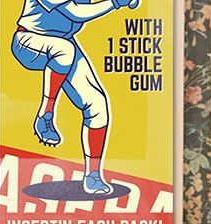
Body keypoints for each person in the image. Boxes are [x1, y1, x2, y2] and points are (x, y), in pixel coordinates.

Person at [12, 0, 141, 195]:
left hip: (65, 43)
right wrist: (116, 3)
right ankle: (46, 114)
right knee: (64, 50)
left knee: (97, 105)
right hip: (29, 41)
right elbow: (76, 13)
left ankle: (93, 175)